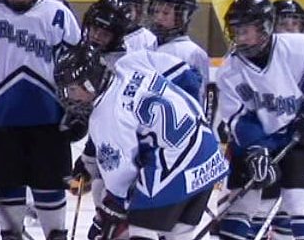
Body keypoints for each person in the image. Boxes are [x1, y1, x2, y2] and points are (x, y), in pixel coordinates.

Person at [58, 42, 228, 239]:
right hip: (208, 154)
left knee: (138, 225)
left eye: (71, 89)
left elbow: (121, 182)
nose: (67, 96)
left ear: (90, 83)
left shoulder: (105, 116)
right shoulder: (131, 63)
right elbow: (187, 75)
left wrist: (106, 216)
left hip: (174, 167)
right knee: (178, 233)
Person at [216, 0, 304, 240]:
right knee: (241, 205)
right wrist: (256, 149)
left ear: (265, 27)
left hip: (298, 136)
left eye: (246, 30)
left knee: (299, 203)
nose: (240, 37)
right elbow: (237, 118)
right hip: (260, 140)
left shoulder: (301, 47)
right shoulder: (229, 70)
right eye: (236, 31)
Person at [0, 0, 81, 238]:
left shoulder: (56, 13)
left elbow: (77, 65)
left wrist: (78, 110)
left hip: (50, 119)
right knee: (6, 185)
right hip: (1, 120)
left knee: (50, 185)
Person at [147, 0, 210, 107]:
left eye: (166, 13)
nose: (158, 17)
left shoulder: (193, 53)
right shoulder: (146, 45)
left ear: (184, 16)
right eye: (156, 11)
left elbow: (199, 99)